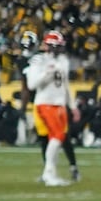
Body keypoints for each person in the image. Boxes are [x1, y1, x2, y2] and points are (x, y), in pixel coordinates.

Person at [22, 30, 77, 187]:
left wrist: (72, 106)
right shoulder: (38, 60)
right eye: (58, 46)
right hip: (45, 102)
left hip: (59, 104)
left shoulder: (63, 61)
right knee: (57, 137)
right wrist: (47, 73)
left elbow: (65, 85)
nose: (60, 49)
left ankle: (50, 172)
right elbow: (32, 84)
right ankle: (49, 173)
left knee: (58, 138)